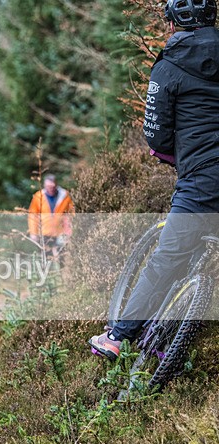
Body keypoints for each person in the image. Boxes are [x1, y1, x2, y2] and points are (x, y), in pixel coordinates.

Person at [89, 0, 219, 360]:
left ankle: (117, 337)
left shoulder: (169, 65)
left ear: (175, 22)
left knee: (167, 259)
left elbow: (157, 133)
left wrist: (170, 153)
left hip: (202, 180)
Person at [27, 173, 74, 261]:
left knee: (62, 257)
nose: (50, 189)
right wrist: (33, 232)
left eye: (52, 187)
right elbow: (33, 216)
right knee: (45, 258)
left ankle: (62, 269)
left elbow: (70, 215)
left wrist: (69, 231)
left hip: (61, 232)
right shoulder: (38, 196)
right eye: (48, 187)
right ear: (44, 186)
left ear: (56, 185)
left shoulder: (65, 196)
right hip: (44, 232)